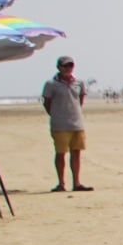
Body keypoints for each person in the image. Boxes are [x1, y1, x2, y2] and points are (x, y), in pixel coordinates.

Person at [42, 55, 91, 192]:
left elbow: (80, 100)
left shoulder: (79, 83)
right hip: (60, 124)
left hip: (77, 123)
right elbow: (47, 103)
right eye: (65, 66)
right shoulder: (51, 84)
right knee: (61, 153)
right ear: (59, 67)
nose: (68, 68)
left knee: (76, 153)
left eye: (71, 65)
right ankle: (61, 183)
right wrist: (56, 115)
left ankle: (76, 182)